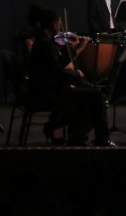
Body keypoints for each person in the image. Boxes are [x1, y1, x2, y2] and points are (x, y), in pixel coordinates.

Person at [28, 9, 111, 146]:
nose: (60, 27)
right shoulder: (44, 44)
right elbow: (58, 71)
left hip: (50, 87)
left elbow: (59, 64)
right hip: (49, 91)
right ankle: (100, 138)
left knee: (88, 95)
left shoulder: (44, 42)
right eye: (59, 24)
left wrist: (76, 49)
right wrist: (75, 74)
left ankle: (78, 135)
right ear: (54, 24)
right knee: (96, 95)